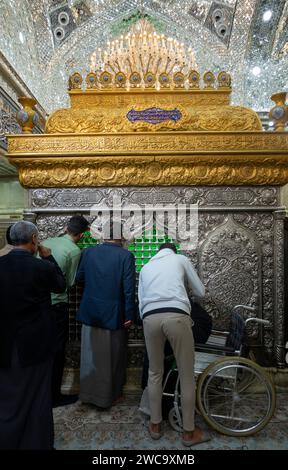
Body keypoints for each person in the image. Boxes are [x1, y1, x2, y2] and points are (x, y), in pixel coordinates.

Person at [0, 220, 66, 449]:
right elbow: (60, 286)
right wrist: (48, 257)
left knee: (7, 397)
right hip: (35, 345)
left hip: (6, 345)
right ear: (34, 240)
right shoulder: (42, 267)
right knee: (38, 397)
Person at [138, 242, 209, 447]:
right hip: (176, 315)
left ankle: (155, 425)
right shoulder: (180, 259)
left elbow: (141, 301)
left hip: (150, 318)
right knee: (186, 374)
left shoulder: (146, 267)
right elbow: (201, 292)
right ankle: (188, 433)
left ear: (157, 252)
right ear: (173, 251)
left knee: (155, 372)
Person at [76, 223, 136, 409]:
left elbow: (79, 279)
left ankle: (87, 395)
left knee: (89, 355)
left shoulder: (88, 253)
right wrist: (129, 315)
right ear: (121, 237)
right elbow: (128, 290)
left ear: (103, 236)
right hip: (113, 315)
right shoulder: (126, 256)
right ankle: (111, 396)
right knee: (113, 358)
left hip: (90, 311)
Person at [42, 215, 89, 407]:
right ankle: (55, 396)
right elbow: (68, 283)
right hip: (57, 306)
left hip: (38, 304)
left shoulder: (45, 241)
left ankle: (40, 392)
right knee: (57, 351)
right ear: (81, 235)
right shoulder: (74, 250)